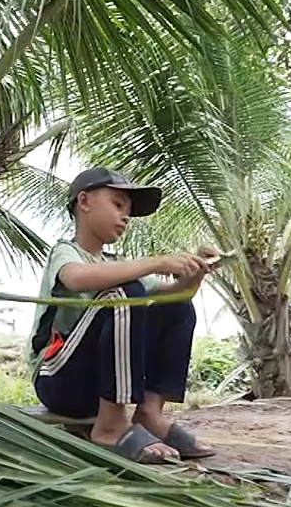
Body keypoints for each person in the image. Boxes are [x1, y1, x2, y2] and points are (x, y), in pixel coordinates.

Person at [31, 167, 218, 463]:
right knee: (124, 294)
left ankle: (149, 413)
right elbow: (77, 279)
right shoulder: (66, 252)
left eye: (128, 211)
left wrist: (196, 273)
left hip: (98, 387)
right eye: (118, 205)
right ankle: (111, 426)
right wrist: (156, 262)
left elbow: (174, 293)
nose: (125, 217)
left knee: (177, 306)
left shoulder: (114, 263)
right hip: (60, 382)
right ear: (84, 201)